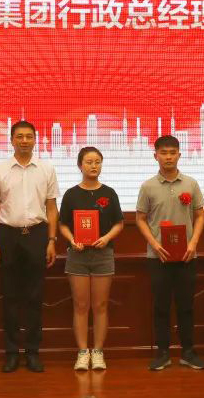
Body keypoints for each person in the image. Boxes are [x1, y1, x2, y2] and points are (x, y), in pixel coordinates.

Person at [0, 120, 59, 373]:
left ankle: (32, 352)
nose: (24, 141)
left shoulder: (46, 169)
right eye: (20, 136)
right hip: (8, 235)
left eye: (29, 136)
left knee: (35, 297)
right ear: (12, 140)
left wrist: (51, 240)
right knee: (10, 297)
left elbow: (52, 208)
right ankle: (11, 353)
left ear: (35, 139)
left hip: (37, 234)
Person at [135, 134, 204, 371]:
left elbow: (200, 215)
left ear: (179, 155)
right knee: (161, 307)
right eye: (163, 153)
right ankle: (163, 353)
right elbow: (140, 218)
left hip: (187, 255)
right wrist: (154, 245)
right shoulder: (148, 186)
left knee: (186, 306)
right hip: (159, 257)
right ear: (155, 156)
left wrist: (193, 243)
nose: (168, 157)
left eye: (172, 153)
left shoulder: (191, 184)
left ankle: (188, 352)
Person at [58, 147, 124, 371]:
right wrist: (72, 239)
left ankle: (98, 352)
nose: (94, 166)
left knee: (100, 305)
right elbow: (63, 224)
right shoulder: (71, 194)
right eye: (89, 162)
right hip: (77, 255)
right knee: (80, 305)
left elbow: (119, 223)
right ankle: (82, 352)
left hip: (103, 254)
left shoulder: (109, 193)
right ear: (80, 165)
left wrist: (106, 238)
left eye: (97, 162)